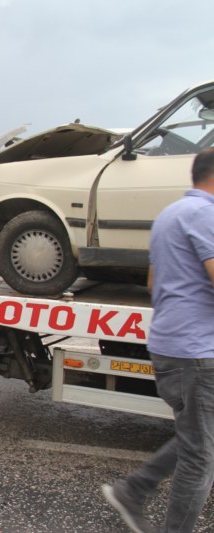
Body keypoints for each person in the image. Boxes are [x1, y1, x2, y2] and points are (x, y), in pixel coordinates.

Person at [102, 148, 214, 533]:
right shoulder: (206, 215)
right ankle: (140, 497)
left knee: (197, 439)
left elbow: (153, 282)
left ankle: (135, 489)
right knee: (200, 457)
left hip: (171, 344)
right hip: (197, 352)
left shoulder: (169, 215)